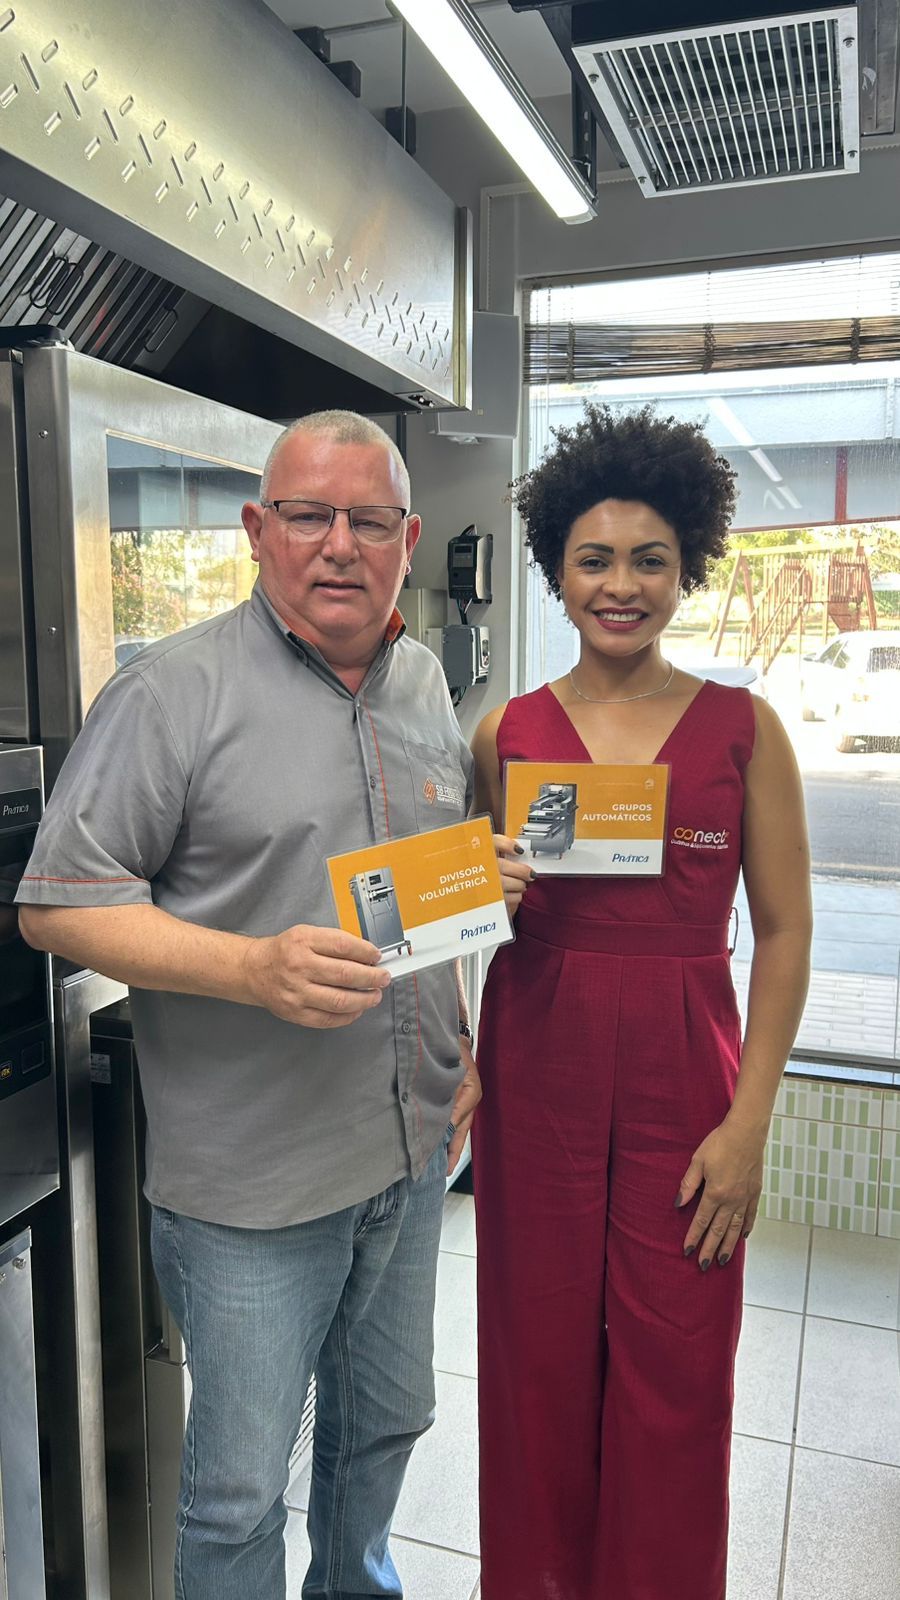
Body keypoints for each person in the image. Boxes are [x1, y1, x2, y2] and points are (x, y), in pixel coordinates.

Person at [17, 410, 481, 1600]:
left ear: (407, 539)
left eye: (368, 520)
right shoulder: (170, 693)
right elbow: (57, 908)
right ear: (257, 529)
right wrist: (251, 968)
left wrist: (463, 1035)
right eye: (310, 516)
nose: (340, 544)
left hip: (408, 1156)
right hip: (253, 1190)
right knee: (236, 1496)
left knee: (383, 1428)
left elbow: (429, 888)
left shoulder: (424, 682)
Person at [471, 404, 812, 1600]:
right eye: (594, 559)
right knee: (536, 1370)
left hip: (688, 1092)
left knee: (680, 1372)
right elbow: (465, 914)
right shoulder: (506, 733)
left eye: (649, 559)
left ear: (689, 566)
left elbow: (785, 931)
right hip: (538, 1083)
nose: (621, 585)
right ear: (556, 570)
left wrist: (750, 1125)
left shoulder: (745, 731)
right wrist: (478, 909)